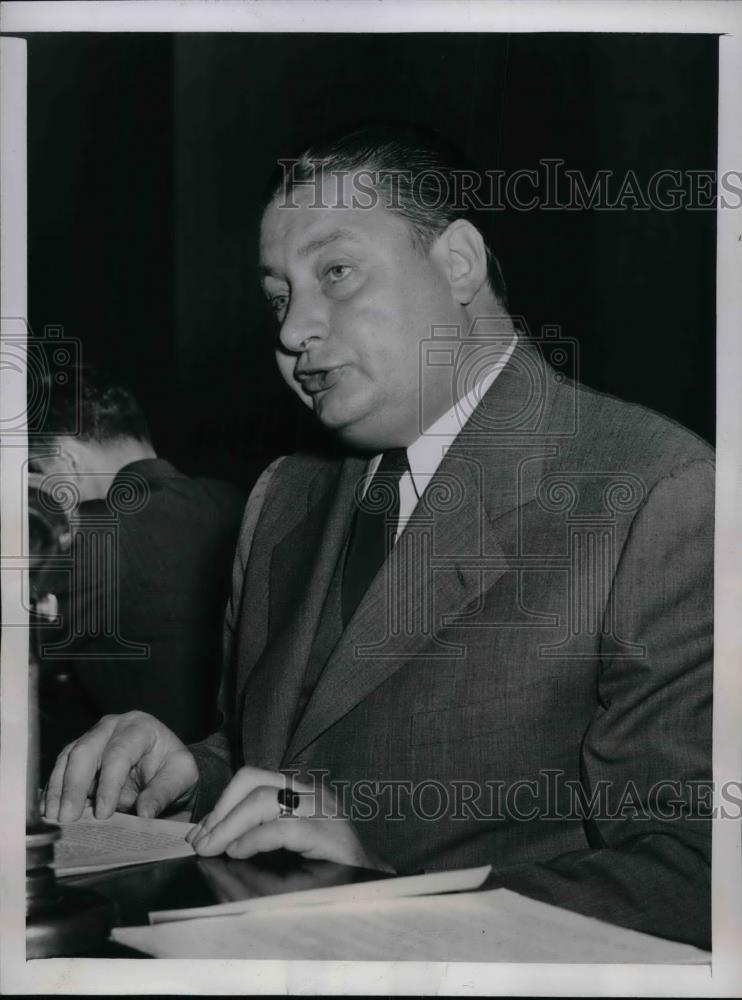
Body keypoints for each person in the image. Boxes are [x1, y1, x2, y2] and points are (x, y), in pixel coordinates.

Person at [43, 127, 713, 949]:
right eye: (278, 295)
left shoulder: (659, 491)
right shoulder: (284, 496)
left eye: (336, 272)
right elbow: (292, 766)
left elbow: (698, 874)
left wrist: (398, 904)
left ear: (459, 262)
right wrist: (192, 772)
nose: (293, 331)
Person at [30, 365, 245, 776]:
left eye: (37, 473)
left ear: (65, 461)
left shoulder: (93, 535)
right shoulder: (239, 502)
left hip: (145, 798)